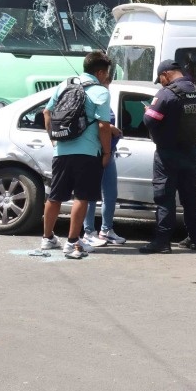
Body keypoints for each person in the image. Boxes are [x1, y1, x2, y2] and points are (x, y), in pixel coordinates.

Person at [39, 50, 113, 259]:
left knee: (55, 196)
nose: (106, 77)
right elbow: (103, 125)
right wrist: (106, 152)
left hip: (61, 150)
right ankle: (72, 242)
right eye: (106, 74)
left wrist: (53, 139)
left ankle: (47, 238)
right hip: (88, 152)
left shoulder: (66, 84)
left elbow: (47, 111)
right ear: (100, 72)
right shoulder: (100, 91)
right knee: (82, 196)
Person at [139, 59, 196, 254]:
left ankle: (162, 241)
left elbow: (150, 120)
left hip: (168, 153)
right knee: (190, 198)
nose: (160, 83)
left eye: (160, 79)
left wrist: (148, 111)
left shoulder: (167, 93)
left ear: (166, 74)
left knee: (164, 197)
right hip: (190, 153)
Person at [81, 67, 125, 247]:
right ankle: (88, 231)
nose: (108, 86)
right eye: (107, 81)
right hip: (95, 153)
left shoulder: (103, 96)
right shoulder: (93, 96)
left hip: (108, 154)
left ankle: (106, 230)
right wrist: (113, 130)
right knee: (91, 195)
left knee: (110, 194)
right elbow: (100, 126)